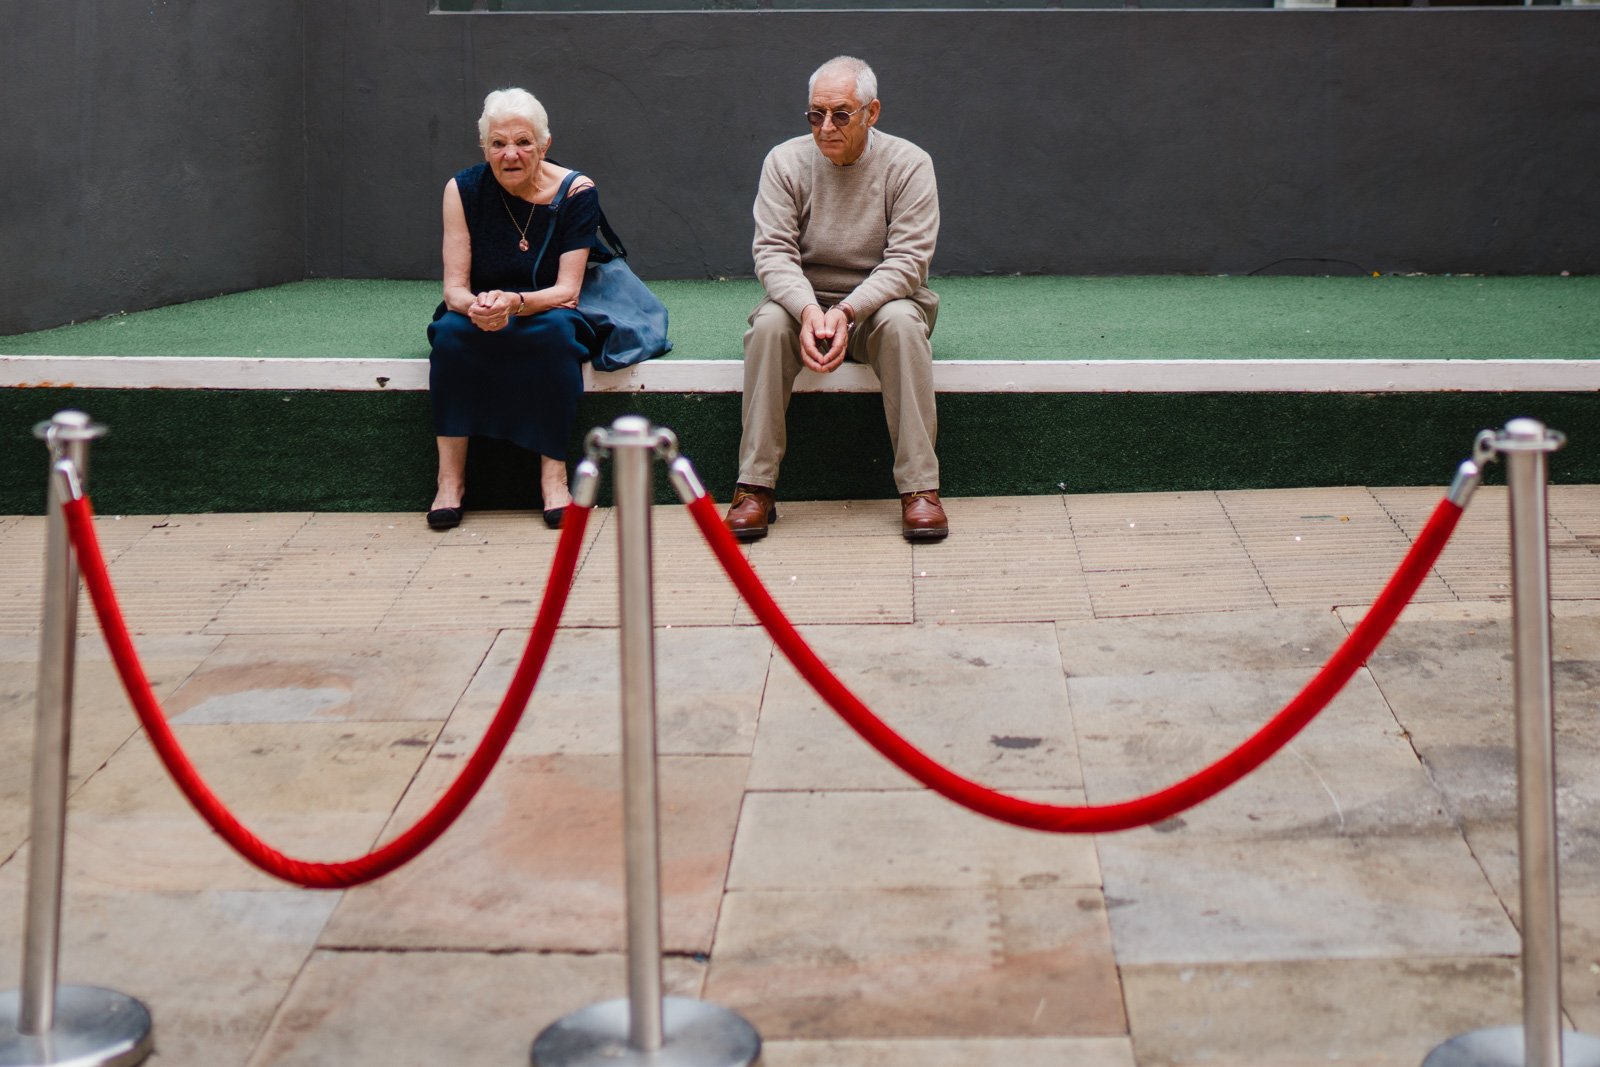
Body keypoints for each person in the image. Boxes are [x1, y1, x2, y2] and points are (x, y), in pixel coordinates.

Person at [725, 55, 946, 543]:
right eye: (815, 114)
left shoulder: (909, 164)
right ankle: (754, 486)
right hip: (803, 300)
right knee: (765, 327)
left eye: (841, 114)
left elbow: (908, 261)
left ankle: (920, 489)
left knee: (903, 325)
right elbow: (773, 254)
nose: (826, 126)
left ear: (872, 112)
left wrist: (848, 311)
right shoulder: (784, 161)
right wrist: (808, 311)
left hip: (879, 306)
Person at [425, 87, 604, 531]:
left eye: (524, 142)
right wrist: (480, 307)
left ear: (545, 145)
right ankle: (450, 483)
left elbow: (567, 290)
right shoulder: (461, 190)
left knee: (556, 337)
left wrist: (516, 303)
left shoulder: (577, 191)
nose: (511, 154)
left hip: (546, 306)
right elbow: (454, 291)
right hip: (482, 307)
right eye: (498, 144)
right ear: (484, 147)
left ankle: (553, 478)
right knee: (450, 336)